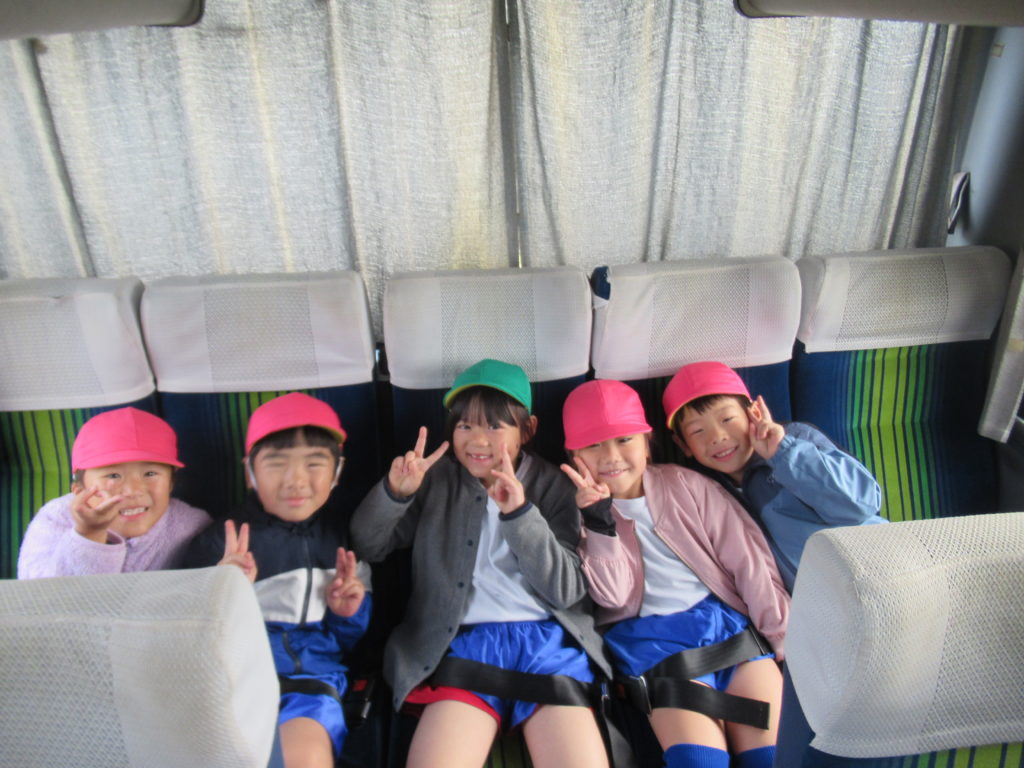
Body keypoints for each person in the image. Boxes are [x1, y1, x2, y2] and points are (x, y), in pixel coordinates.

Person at [351, 359, 613, 768]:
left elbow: (565, 590)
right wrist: (396, 494)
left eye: (494, 426)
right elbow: (368, 545)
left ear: (527, 430)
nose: (477, 440)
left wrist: (520, 515)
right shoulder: (436, 480)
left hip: (548, 644)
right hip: (462, 645)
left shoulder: (555, 485)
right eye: (465, 426)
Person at [562, 379, 789, 768]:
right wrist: (598, 522)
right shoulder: (573, 514)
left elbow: (749, 563)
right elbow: (612, 596)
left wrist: (782, 636)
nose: (611, 456)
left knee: (774, 757)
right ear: (573, 455)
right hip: (653, 647)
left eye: (624, 440)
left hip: (726, 629)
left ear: (647, 443)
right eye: (594, 446)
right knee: (699, 761)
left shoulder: (687, 484)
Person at [183, 392, 369, 768]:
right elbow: (188, 642)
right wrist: (225, 594)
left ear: (337, 471)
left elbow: (344, 643)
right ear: (249, 472)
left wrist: (346, 613)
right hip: (228, 685)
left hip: (308, 688)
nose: (295, 480)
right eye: (276, 464)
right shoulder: (219, 543)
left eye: (314, 463)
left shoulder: (346, 539)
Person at [663, 361, 885, 592]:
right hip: (819, 601)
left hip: (879, 568)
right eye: (698, 431)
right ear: (683, 445)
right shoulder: (705, 491)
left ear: (754, 413)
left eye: (727, 419)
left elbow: (858, 505)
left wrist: (782, 452)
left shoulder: (797, 440)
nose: (717, 437)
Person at [18, 407, 210, 579]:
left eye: (150, 474)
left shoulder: (191, 525)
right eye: (113, 475)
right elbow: (40, 594)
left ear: (170, 483)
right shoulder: (57, 517)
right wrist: (89, 534)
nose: (133, 490)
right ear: (79, 490)